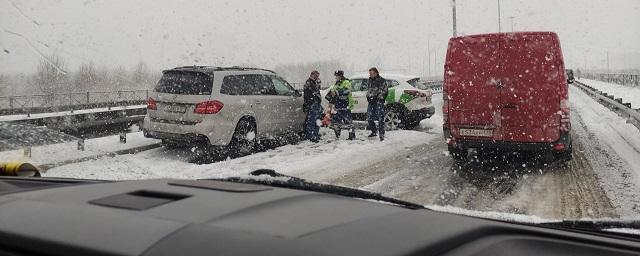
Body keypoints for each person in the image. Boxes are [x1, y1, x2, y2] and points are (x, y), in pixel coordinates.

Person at [326, 70, 355, 140]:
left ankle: (352, 135)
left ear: (340, 76)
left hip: (345, 104)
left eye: (337, 76)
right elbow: (332, 92)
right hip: (338, 105)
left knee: (347, 121)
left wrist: (337, 92)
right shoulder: (337, 83)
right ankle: (337, 135)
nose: (336, 77)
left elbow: (347, 90)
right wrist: (329, 96)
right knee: (336, 120)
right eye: (335, 76)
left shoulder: (346, 82)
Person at [366, 67, 388, 141]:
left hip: (379, 102)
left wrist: (378, 98)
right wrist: (368, 97)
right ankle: (374, 131)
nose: (370, 75)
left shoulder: (382, 81)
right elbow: (368, 90)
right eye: (370, 73)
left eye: (372, 73)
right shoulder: (369, 80)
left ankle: (381, 134)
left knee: (380, 118)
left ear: (376, 73)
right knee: (369, 118)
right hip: (371, 102)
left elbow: (384, 91)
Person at [303, 70, 322, 143]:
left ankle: (315, 134)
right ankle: (311, 135)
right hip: (312, 104)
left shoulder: (314, 82)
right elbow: (310, 94)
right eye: (316, 76)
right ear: (312, 75)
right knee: (311, 120)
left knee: (317, 120)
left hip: (316, 104)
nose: (317, 77)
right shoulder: (308, 83)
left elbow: (317, 92)